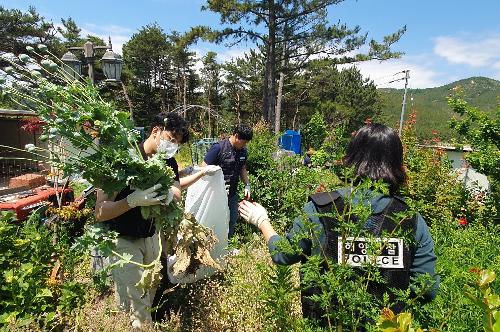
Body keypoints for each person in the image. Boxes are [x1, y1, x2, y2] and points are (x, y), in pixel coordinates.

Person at [239, 123, 439, 326]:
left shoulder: (321, 208)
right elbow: (427, 290)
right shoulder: (410, 220)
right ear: (396, 163)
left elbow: (284, 254)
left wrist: (261, 220)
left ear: (353, 158)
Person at [93, 112, 189, 328]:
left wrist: (168, 194)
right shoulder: (120, 157)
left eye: (177, 144)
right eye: (171, 140)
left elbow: (176, 191)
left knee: (152, 289)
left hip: (151, 236)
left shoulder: (168, 162)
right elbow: (100, 211)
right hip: (123, 239)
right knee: (137, 305)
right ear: (156, 131)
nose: (173, 147)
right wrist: (132, 201)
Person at [202, 123, 253, 238]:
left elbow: (243, 169)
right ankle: (212, 244)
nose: (245, 145)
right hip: (215, 194)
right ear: (236, 136)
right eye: (243, 142)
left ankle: (228, 244)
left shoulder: (243, 151)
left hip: (232, 194)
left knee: (232, 219)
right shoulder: (218, 148)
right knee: (214, 220)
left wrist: (247, 185)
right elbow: (203, 168)